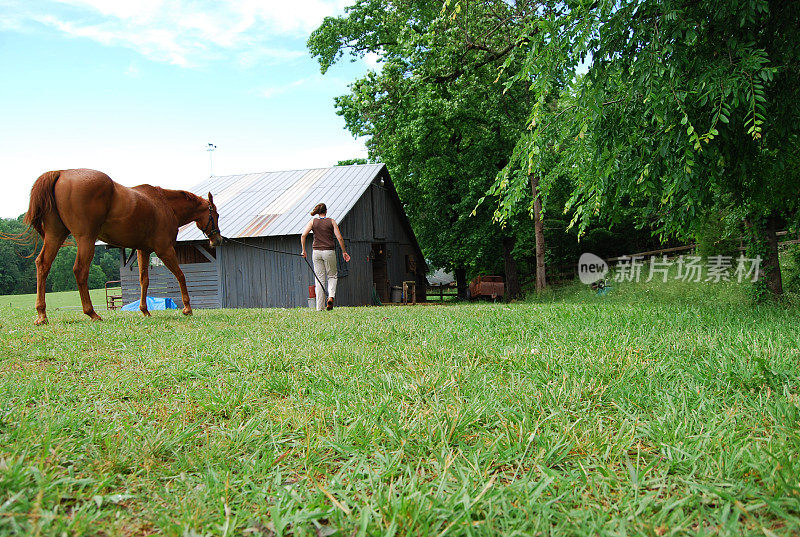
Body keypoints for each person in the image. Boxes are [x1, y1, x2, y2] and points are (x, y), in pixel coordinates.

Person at [301, 203, 350, 310]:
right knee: (332, 275)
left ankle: (319, 307)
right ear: (326, 211)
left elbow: (303, 235)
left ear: (318, 212)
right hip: (329, 252)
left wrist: (304, 250)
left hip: (316, 252)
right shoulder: (331, 221)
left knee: (319, 279)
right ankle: (331, 297)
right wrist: (344, 252)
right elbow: (339, 238)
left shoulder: (313, 222)